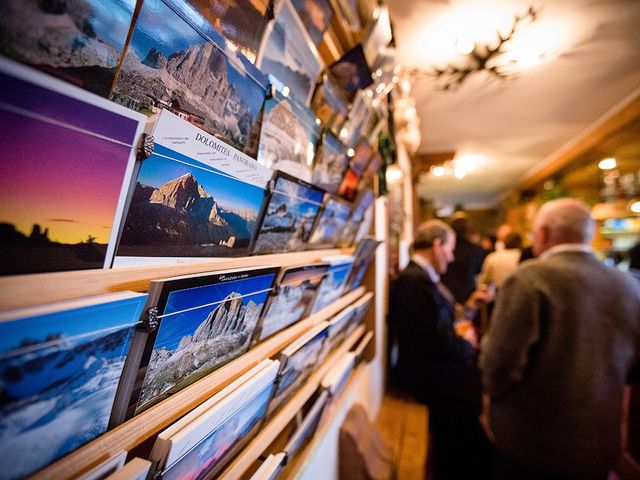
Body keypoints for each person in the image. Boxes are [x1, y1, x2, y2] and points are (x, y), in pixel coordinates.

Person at [480, 198, 640, 480]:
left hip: (531, 442)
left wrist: (491, 403)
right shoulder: (628, 285)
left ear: (541, 233)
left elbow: (499, 364)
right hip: (599, 441)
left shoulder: (530, 278)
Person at [388, 219, 494, 479]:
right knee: (472, 448)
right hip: (433, 382)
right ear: (437, 245)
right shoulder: (415, 282)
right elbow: (440, 342)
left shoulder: (420, 279)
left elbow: (439, 330)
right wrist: (467, 345)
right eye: (450, 248)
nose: (452, 256)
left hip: (435, 375)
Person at [441, 213, 488, 303]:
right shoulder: (476, 250)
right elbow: (479, 271)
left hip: (447, 292)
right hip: (468, 294)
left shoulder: (446, 249)